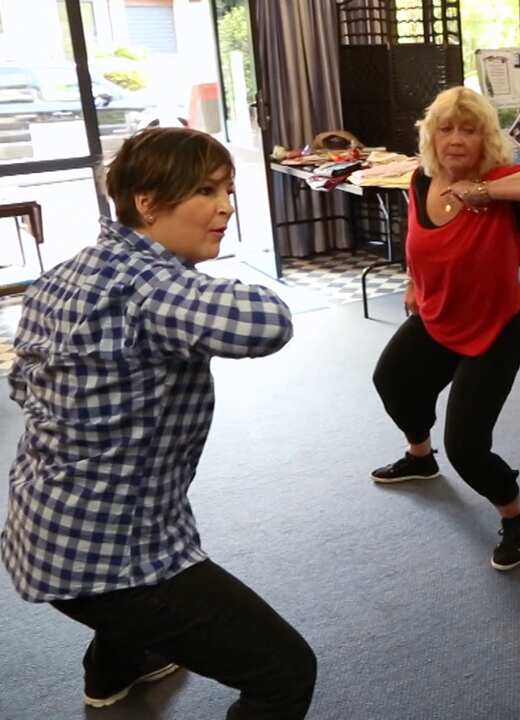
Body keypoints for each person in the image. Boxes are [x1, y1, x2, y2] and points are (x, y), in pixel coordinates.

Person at [1, 127, 315, 718]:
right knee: (284, 671)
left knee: (125, 610)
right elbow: (266, 323)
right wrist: (197, 282)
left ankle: (113, 672)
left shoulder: (60, 277)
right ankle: (125, 650)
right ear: (146, 202)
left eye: (228, 190)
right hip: (112, 552)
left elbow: (22, 383)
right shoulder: (150, 286)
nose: (226, 207)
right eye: (205, 191)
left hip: (39, 529)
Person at [369, 87, 520, 571]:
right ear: (430, 136)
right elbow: (416, 239)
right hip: (438, 315)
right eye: (446, 128)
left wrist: (486, 191)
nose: (456, 139)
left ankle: (516, 516)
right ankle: (420, 457)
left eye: (469, 128)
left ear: (485, 139)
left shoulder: (505, 185)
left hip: (497, 327)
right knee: (391, 380)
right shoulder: (421, 181)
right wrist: (413, 281)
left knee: (467, 447)